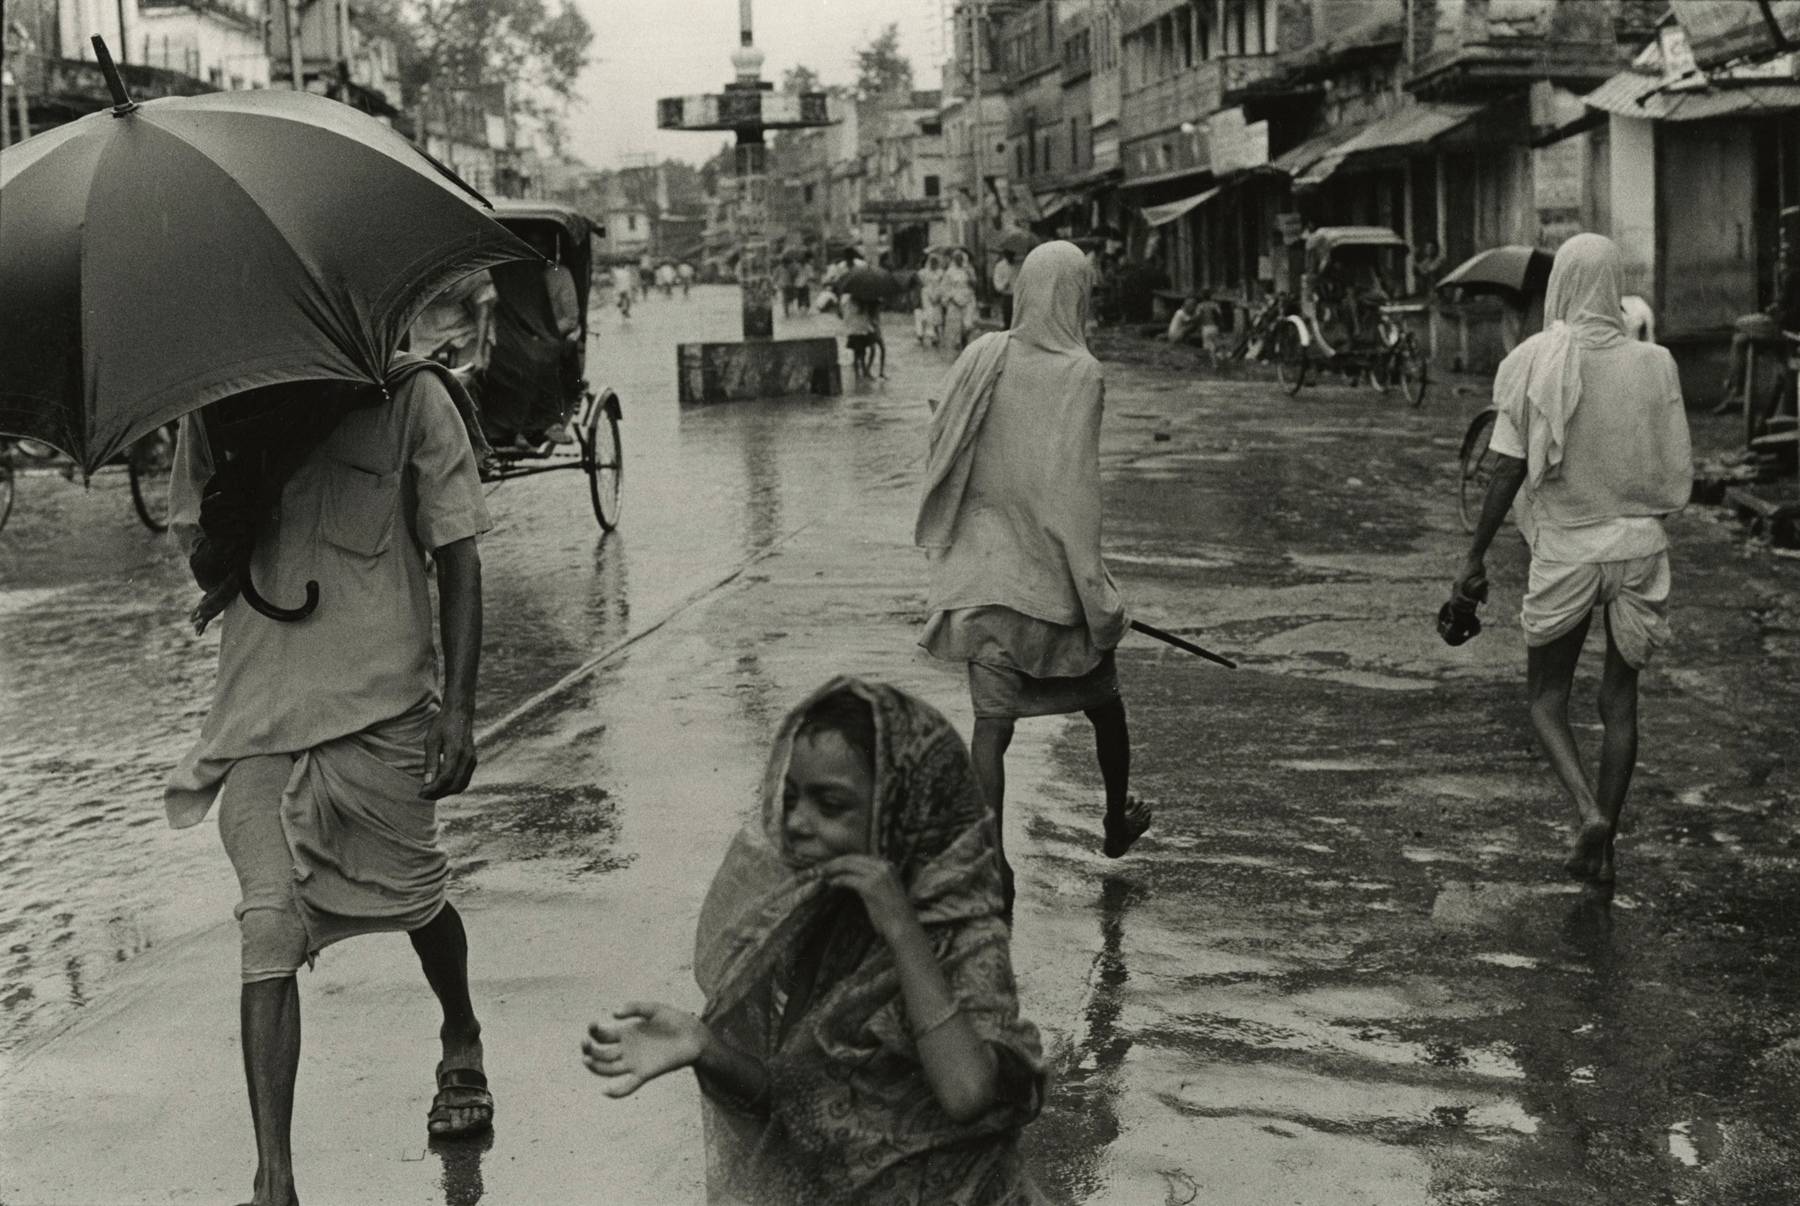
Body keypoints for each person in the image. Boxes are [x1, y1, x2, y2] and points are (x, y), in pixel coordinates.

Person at [166, 358, 495, 1206]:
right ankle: (273, 1181)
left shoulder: (412, 397)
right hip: (259, 715)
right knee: (267, 928)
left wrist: (457, 710)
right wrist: (224, 532)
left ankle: (460, 1033)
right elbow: (203, 573)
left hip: (383, 707)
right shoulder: (213, 414)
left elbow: (458, 555)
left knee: (416, 896)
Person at [582, 679, 1047, 1206]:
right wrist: (704, 1048)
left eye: (830, 805)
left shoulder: (965, 940)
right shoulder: (816, 926)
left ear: (905, 811)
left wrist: (899, 928)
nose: (797, 823)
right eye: (791, 798)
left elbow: (967, 1093)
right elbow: (792, 1109)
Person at [915, 241, 1149, 920]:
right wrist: (1098, 594)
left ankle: (994, 863)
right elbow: (1075, 491)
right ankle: (1113, 822)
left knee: (992, 726)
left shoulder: (981, 355)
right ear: (1076, 294)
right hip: (1048, 582)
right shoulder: (1082, 374)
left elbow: (943, 444)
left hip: (979, 579)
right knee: (1106, 705)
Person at [1453, 233, 1692, 892]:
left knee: (1545, 699)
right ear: (1613, 285)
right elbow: (1671, 467)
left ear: (1561, 284)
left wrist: (1473, 558)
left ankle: (1588, 812)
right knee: (1620, 701)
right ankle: (1605, 846)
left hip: (1566, 549)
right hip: (1641, 549)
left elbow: (1503, 471)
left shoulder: (1535, 359)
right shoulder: (1657, 363)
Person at [1720, 223, 1799, 416]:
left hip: (1788, 327)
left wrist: (1775, 312)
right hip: (1788, 324)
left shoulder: (1793, 275)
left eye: (1785, 250)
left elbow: (1787, 307)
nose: (1782, 254)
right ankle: (1737, 391)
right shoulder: (1790, 274)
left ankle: (1736, 390)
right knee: (1740, 340)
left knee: (1740, 324)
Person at [407, 270, 497, 375]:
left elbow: (483, 314)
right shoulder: (411, 273)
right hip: (424, 338)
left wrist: (479, 354)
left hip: (464, 334)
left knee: (462, 382)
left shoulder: (474, 273)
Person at [939, 249, 979, 351]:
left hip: (967, 298)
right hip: (954, 300)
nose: (959, 260)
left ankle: (965, 338)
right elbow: (945, 287)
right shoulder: (949, 272)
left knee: (968, 324)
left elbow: (974, 284)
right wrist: (950, 297)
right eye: (956, 258)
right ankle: (958, 342)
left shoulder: (968, 270)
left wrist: (970, 276)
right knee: (956, 325)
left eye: (960, 258)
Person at [842, 292, 883, 379]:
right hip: (858, 330)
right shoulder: (854, 303)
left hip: (857, 330)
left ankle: (862, 373)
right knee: (860, 352)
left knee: (860, 352)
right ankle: (861, 373)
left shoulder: (849, 302)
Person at [917, 252, 946, 346]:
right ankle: (925, 334)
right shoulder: (924, 272)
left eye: (935, 262)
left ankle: (936, 337)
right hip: (927, 295)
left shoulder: (941, 272)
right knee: (928, 315)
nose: (933, 264)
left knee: (937, 316)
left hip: (937, 294)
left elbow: (943, 284)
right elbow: (921, 284)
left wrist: (939, 295)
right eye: (932, 262)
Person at [991, 249, 1018, 329]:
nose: (1011, 257)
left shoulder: (1017, 265)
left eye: (1012, 254)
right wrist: (1003, 285)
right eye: (1008, 254)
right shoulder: (1000, 266)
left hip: (1018, 295)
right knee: (1008, 318)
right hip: (1008, 296)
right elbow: (997, 281)